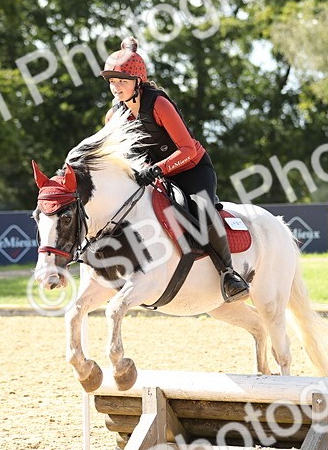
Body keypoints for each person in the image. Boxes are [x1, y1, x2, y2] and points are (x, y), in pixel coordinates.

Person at [100, 37, 250, 303]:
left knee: (202, 209)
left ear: (138, 81)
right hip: (154, 176)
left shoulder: (159, 104)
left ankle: (229, 274)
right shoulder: (114, 116)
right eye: (112, 81)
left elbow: (187, 149)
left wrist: (157, 169)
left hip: (191, 169)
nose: (115, 87)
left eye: (122, 81)